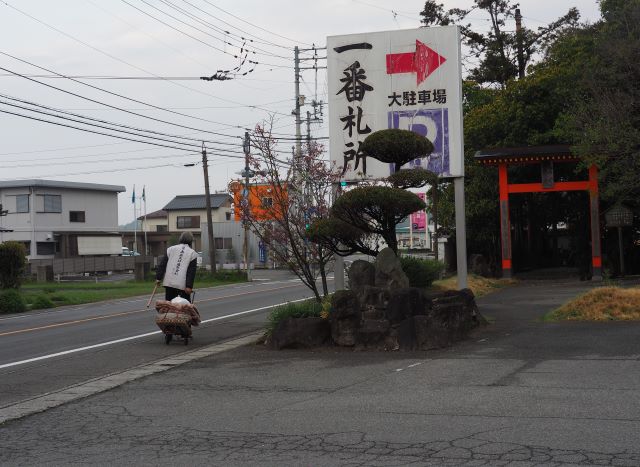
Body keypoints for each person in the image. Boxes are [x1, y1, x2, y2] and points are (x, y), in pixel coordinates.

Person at [156, 231, 198, 301]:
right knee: (184, 305)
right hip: (182, 286)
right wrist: (189, 286)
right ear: (191, 241)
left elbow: (162, 264)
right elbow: (191, 272)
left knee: (170, 305)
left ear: (180, 239)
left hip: (169, 283)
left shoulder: (170, 249)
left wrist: (158, 278)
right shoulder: (192, 253)